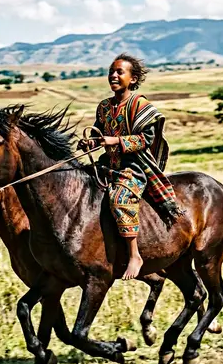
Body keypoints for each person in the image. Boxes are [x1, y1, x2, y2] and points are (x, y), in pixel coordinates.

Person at [78, 53, 183, 280]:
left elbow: (146, 138)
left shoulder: (140, 105)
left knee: (119, 198)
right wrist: (91, 142)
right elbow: (99, 134)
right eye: (111, 72)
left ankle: (135, 255)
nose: (113, 76)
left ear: (133, 79)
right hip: (107, 164)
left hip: (134, 167)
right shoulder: (104, 106)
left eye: (119, 72)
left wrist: (116, 141)